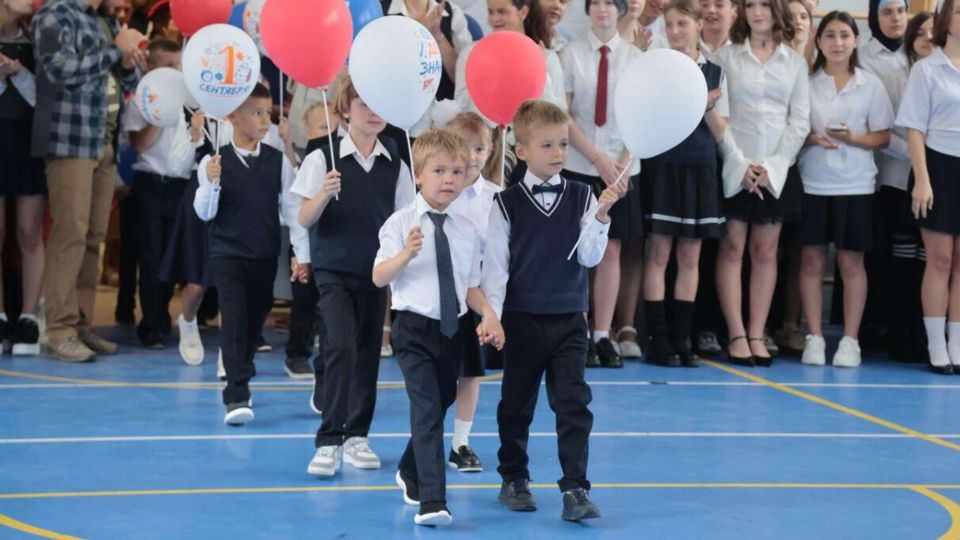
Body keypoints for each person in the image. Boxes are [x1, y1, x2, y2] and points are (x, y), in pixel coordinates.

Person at [482, 100, 624, 522]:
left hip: (569, 320)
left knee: (573, 403)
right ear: (521, 150)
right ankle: (513, 477)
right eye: (547, 145)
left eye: (563, 144)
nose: (558, 152)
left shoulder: (582, 195)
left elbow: (590, 258)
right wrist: (493, 316)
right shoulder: (505, 204)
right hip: (521, 321)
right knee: (516, 403)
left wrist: (600, 216)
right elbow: (496, 269)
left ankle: (576, 488)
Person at [378, 129, 504, 527]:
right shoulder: (400, 224)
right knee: (428, 408)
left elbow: (469, 286)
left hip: (454, 329)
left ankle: (407, 468)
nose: (448, 179)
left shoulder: (466, 228)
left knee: (442, 403)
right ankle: (433, 501)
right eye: (439, 170)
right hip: (413, 329)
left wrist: (489, 314)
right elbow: (380, 276)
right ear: (418, 175)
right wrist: (406, 253)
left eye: (457, 171)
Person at [297, 74, 416, 476]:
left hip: (376, 274)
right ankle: (329, 438)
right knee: (340, 347)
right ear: (345, 109)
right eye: (364, 103)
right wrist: (323, 194)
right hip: (333, 270)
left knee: (368, 353)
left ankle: (357, 435)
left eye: (380, 103)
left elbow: (404, 218)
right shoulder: (321, 155)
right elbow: (303, 217)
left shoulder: (396, 161)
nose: (373, 111)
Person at [32, 0, 146, 362]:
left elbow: (122, 79)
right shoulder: (54, 14)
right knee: (71, 233)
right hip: (70, 141)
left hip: (103, 140)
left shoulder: (105, 21)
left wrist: (128, 63)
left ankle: (80, 324)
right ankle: (59, 329)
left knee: (94, 235)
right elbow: (58, 69)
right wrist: (115, 50)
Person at [192, 83, 310, 424]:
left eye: (267, 114)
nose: (263, 121)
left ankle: (241, 363)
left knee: (256, 316)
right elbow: (204, 212)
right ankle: (237, 393)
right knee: (234, 317)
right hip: (228, 252)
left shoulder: (277, 162)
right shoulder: (215, 162)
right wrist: (211, 182)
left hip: (263, 252)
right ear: (232, 117)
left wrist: (301, 252)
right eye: (256, 113)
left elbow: (291, 209)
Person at [712, 0, 809, 367]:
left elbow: (800, 120)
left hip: (776, 170)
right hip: (736, 166)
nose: (757, 12)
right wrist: (741, 163)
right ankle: (736, 333)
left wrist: (773, 165)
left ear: (777, 12)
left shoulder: (795, 62)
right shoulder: (727, 57)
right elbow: (718, 116)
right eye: (750, 5)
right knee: (732, 250)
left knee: (766, 253)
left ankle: (757, 332)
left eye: (764, 5)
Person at [797, 11, 893, 368]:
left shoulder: (870, 85)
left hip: (857, 184)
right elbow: (793, 127)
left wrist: (851, 138)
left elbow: (883, 136)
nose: (838, 43)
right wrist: (811, 137)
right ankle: (815, 337)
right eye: (830, 36)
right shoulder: (806, 83)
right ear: (819, 41)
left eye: (844, 36)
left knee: (851, 262)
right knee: (810, 259)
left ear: (855, 41)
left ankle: (850, 340)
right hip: (813, 182)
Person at [642, 0, 727, 367]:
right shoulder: (658, 68)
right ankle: (658, 338)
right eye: (670, 24)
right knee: (659, 252)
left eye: (682, 23)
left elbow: (721, 130)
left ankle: (683, 336)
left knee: (690, 255)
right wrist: (695, 102)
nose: (675, 31)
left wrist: (705, 106)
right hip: (665, 163)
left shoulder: (716, 72)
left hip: (700, 165)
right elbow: (652, 115)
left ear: (698, 24)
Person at [561, 0, 640, 368]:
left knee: (611, 251)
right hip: (581, 162)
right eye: (597, 3)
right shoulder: (571, 54)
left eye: (612, 2)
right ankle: (579, 331)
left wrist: (622, 164)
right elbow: (565, 114)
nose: (604, 9)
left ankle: (603, 334)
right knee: (580, 251)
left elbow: (644, 114)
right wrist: (596, 158)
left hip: (622, 166)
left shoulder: (636, 58)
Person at [898, 0, 960, 375]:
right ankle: (936, 345)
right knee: (940, 259)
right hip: (937, 166)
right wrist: (922, 179)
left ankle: (958, 343)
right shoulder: (926, 69)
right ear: (945, 20)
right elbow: (914, 127)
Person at [122, 38, 195, 349]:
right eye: (167, 66)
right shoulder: (139, 101)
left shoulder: (190, 101)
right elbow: (138, 144)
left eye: (178, 66)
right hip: (150, 182)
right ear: (150, 67)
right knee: (151, 256)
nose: (174, 72)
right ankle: (151, 323)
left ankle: (167, 316)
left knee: (173, 256)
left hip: (181, 184)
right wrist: (160, 113)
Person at [443, 112, 501, 472]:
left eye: (480, 147)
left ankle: (460, 442)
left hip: (476, 300)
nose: (473, 155)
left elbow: (499, 258)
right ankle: (424, 436)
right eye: (465, 147)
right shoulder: (438, 192)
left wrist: (492, 308)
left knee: (471, 373)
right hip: (438, 300)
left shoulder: (498, 198)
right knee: (438, 374)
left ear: (491, 149)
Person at [0, 0, 44, 356]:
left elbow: (45, 97)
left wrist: (19, 74)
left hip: (29, 142)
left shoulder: (37, 38)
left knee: (29, 232)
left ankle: (29, 316)